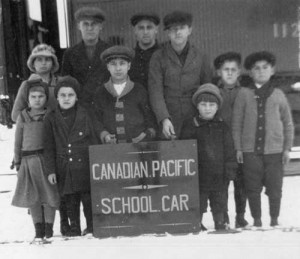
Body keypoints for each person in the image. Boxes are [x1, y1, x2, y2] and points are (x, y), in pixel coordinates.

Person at [232, 51, 294, 227]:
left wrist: (287, 148)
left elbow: (288, 123)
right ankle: (257, 220)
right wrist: (239, 148)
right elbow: (237, 124)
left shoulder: (278, 95)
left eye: (265, 68)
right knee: (252, 188)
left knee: (275, 189)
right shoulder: (244, 94)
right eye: (256, 68)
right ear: (250, 73)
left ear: (272, 70)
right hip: (250, 152)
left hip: (274, 152)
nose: (261, 71)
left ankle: (274, 219)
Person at [43, 76, 100, 236]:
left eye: (70, 95)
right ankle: (74, 226)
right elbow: (48, 147)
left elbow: (93, 138)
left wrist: (95, 163)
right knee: (70, 198)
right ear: (57, 97)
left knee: (87, 198)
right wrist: (51, 171)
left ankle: (91, 226)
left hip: (84, 164)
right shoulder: (51, 117)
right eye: (63, 95)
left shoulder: (85, 114)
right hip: (64, 165)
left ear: (76, 97)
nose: (66, 99)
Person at [181, 83, 237, 231]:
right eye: (203, 104)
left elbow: (230, 150)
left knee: (220, 202)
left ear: (217, 107)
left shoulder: (222, 126)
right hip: (199, 176)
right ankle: (196, 223)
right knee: (198, 202)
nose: (207, 108)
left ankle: (221, 222)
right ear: (197, 106)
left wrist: (230, 169)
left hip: (219, 175)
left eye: (211, 104)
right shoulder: (191, 126)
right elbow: (185, 152)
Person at [148, 10, 212, 139]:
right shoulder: (158, 57)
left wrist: (204, 117)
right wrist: (164, 119)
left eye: (182, 28)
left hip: (196, 117)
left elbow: (207, 89)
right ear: (167, 33)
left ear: (189, 30)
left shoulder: (201, 56)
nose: (178, 32)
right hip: (170, 119)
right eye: (173, 29)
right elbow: (155, 92)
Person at [11, 79, 60, 242]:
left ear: (46, 98)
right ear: (28, 99)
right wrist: (18, 162)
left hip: (45, 160)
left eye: (41, 96)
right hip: (28, 161)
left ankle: (48, 228)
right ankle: (38, 229)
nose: (37, 99)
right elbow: (18, 141)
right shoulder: (23, 117)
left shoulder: (50, 115)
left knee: (49, 195)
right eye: (33, 96)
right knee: (33, 197)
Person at [94, 45, 157, 144]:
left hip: (137, 146)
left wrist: (146, 134)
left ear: (129, 66)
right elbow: (96, 119)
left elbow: (150, 117)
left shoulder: (139, 90)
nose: (118, 68)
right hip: (111, 149)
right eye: (113, 64)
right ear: (108, 67)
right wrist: (104, 134)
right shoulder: (101, 92)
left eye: (122, 63)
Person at [214, 52, 248, 228]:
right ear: (219, 72)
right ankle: (224, 216)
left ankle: (240, 216)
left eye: (233, 70)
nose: (229, 73)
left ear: (239, 72)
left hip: (241, 145)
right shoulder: (214, 93)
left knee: (241, 185)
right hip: (221, 147)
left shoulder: (245, 93)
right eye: (225, 69)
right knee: (222, 185)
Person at [61, 6, 110, 107]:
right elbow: (65, 84)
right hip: (80, 108)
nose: (90, 28)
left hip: (105, 107)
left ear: (101, 26)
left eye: (94, 24)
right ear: (79, 26)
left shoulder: (110, 51)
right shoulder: (70, 54)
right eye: (85, 24)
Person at [11, 43, 59, 122]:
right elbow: (15, 115)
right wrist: (34, 119)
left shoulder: (60, 83)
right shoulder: (27, 85)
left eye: (47, 59)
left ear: (53, 63)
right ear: (33, 63)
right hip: (35, 131)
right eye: (39, 59)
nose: (43, 63)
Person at [129, 12, 160, 89]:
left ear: (156, 30)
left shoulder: (165, 55)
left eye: (149, 27)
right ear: (135, 31)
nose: (145, 32)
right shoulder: (129, 57)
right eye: (141, 28)